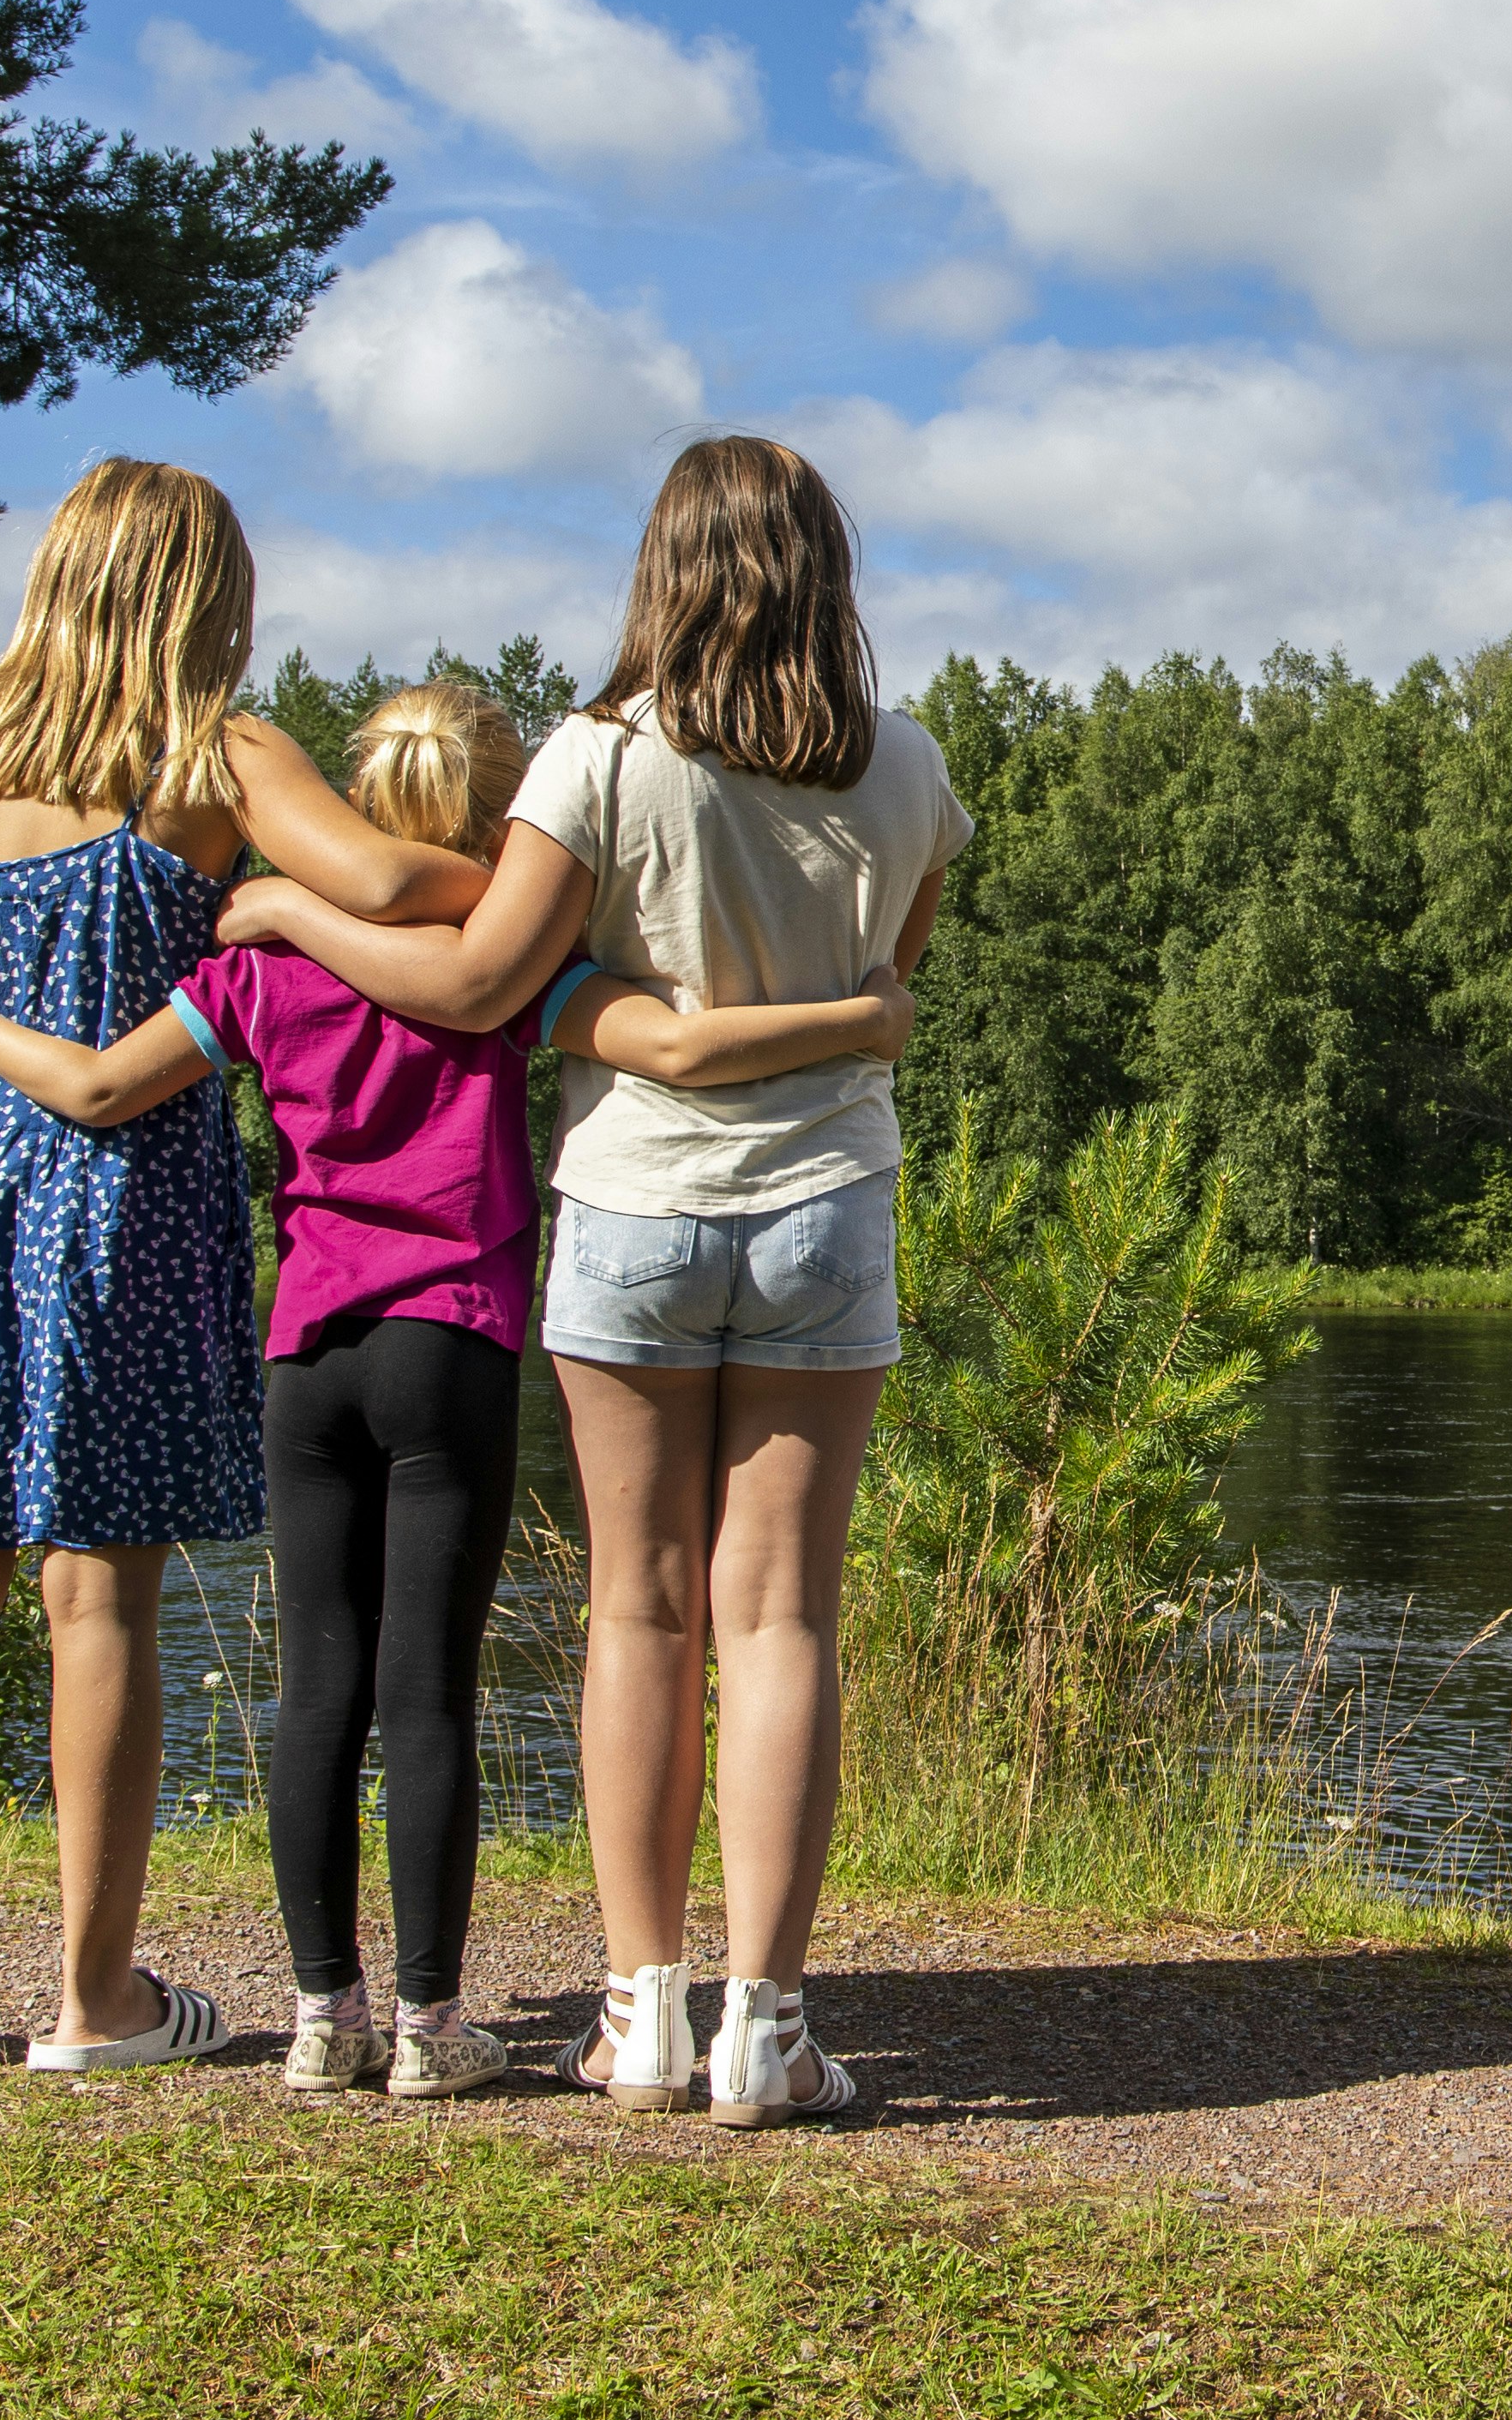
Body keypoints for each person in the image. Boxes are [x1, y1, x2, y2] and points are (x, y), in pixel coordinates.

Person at [0, 678, 916, 2099]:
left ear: (354, 805)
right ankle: (435, 2027)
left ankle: (328, 2016)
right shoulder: (508, 970)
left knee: (313, 1681)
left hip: (308, 1354)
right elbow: (670, 1050)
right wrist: (860, 1017)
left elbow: (93, 1090)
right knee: (430, 1687)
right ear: (502, 816)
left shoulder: (256, 971)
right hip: (451, 1346)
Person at [218, 435, 964, 2129]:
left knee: (638, 1601)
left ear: (666, 573)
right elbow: (886, 979)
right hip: (828, 1203)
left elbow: (483, 978)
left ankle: (640, 2012)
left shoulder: (597, 757)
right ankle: (768, 2023)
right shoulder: (911, 766)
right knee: (779, 1614)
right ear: (825, 581)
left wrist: (286, 908)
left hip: (633, 1203)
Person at [0, 459, 500, 2078]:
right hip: (116, 1191)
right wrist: (283, 897)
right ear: (205, 597)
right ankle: (95, 1999)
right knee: (95, 1593)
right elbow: (409, 886)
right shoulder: (210, 755)